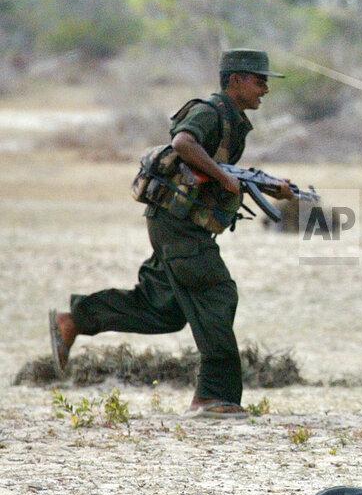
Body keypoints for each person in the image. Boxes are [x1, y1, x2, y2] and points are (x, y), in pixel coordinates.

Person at [48, 49, 294, 418]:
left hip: (179, 226)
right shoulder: (210, 112)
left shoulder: (232, 120)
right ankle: (213, 396)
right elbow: (183, 143)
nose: (265, 89)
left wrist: (269, 186)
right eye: (259, 81)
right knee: (216, 293)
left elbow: (219, 170)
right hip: (178, 227)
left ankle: (76, 319)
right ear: (236, 80)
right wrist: (226, 177)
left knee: (161, 309)